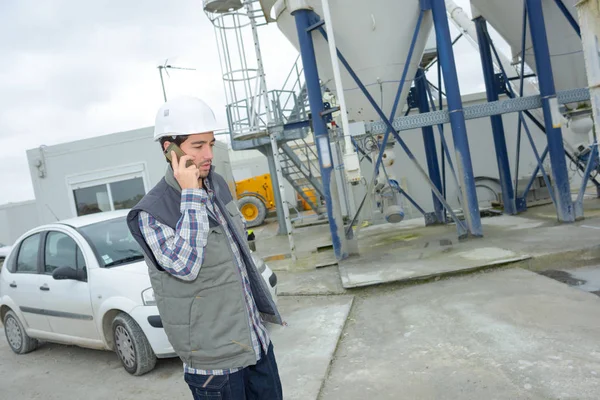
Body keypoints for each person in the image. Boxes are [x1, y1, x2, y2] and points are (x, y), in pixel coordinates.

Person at [127, 96, 283, 400]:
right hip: (215, 367)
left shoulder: (218, 184)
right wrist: (191, 195)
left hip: (256, 345)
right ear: (169, 149)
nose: (209, 154)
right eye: (198, 146)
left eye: (211, 143)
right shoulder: (151, 212)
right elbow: (186, 267)